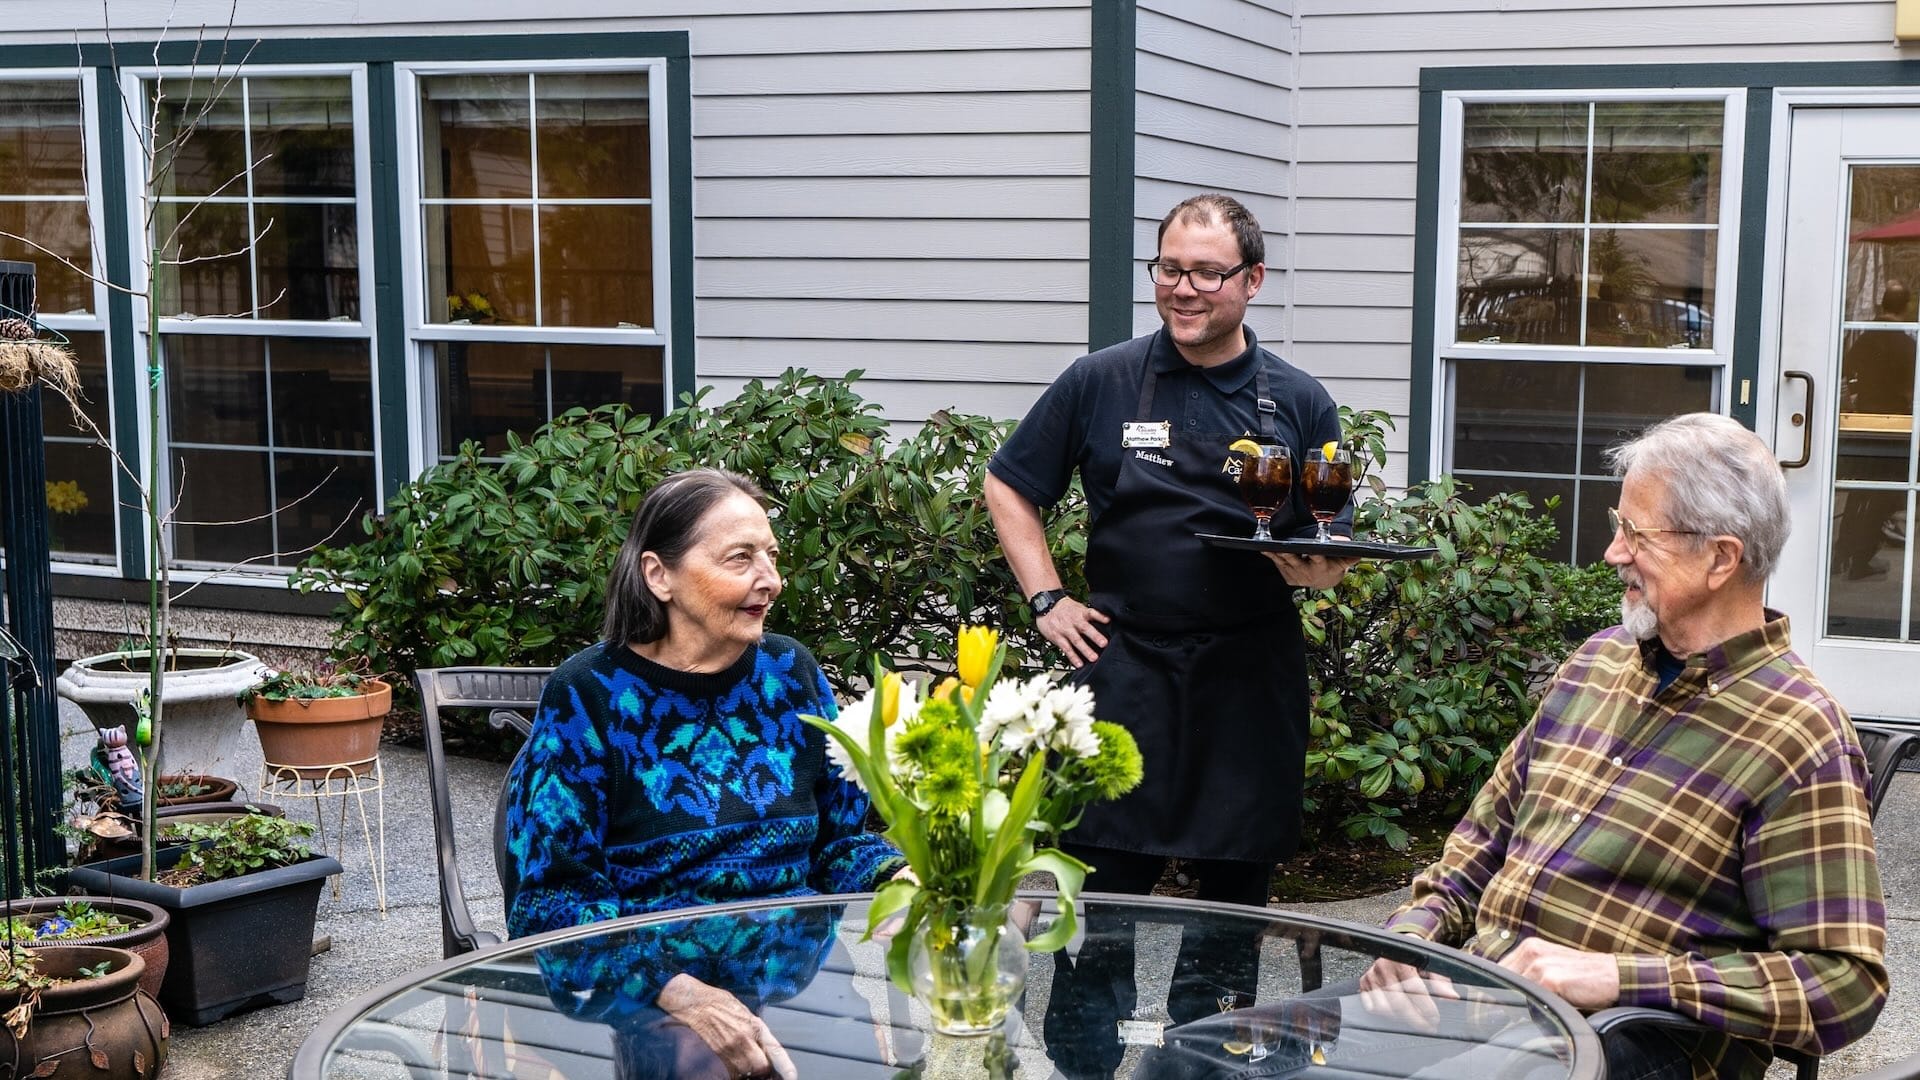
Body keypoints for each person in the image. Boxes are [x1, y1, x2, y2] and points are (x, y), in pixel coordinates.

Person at [1360, 413, 1888, 1080]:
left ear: (1721, 558)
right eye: (1620, 526)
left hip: (1625, 1044)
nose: (1613, 552)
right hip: (1480, 1006)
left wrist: (1619, 976)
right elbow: (1483, 841)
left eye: (1637, 534)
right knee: (1268, 1053)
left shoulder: (1797, 733)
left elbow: (1844, 983)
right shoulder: (1597, 662)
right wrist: (1416, 935)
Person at [984, 193, 1354, 1060]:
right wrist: (1047, 599)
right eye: (1169, 269)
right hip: (1126, 673)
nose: (1183, 289)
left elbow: (1327, 542)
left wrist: (1320, 570)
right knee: (1099, 897)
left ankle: (1205, 1066)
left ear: (1252, 280)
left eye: (1206, 274)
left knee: (1230, 912)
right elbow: (1010, 484)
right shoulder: (1099, 380)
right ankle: (1081, 1063)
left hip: (1248, 679)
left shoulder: (1301, 400)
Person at [499, 467, 905, 1080]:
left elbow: (840, 842)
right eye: (740, 558)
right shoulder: (588, 695)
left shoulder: (790, 672)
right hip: (658, 997)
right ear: (658, 575)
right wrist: (680, 993)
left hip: (798, 986)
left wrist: (897, 878)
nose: (770, 579)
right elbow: (552, 903)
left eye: (771, 556)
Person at [1835, 281, 1915, 580]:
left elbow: (1846, 374)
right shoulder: (1907, 345)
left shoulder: (1866, 338)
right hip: (1897, 428)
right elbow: (1911, 389)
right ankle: (1861, 559)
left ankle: (1841, 554)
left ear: (1882, 304)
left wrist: (1853, 403)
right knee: (1885, 496)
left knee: (1859, 492)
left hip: (1862, 423)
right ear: (1906, 307)